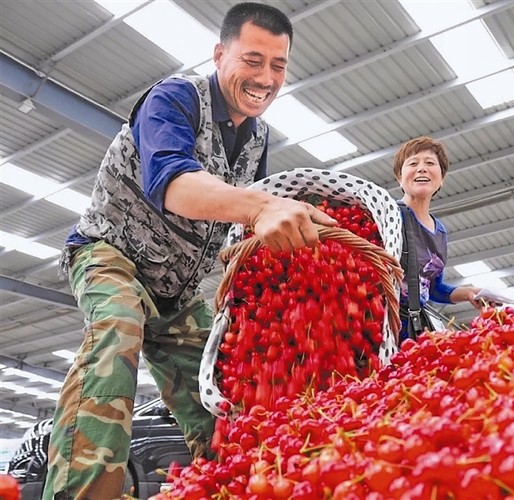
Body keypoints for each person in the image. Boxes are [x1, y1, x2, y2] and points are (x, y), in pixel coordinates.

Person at [43, 4, 337, 499]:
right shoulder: (175, 98)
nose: (266, 77)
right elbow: (174, 184)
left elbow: (235, 211)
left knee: (224, 391)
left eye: (279, 65)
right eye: (253, 59)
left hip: (176, 290)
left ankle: (232, 485)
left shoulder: (258, 135)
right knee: (117, 333)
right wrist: (262, 208)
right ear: (220, 54)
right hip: (110, 254)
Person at [393, 137, 484, 342]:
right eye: (413, 163)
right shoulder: (388, 215)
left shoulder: (440, 231)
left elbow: (433, 288)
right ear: (400, 177)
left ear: (441, 178)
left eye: (430, 163)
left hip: (414, 333)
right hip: (382, 327)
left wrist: (469, 293)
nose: (422, 168)